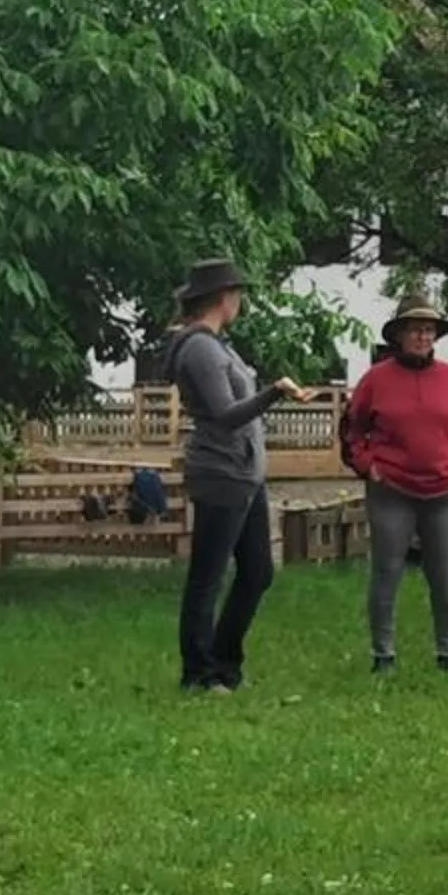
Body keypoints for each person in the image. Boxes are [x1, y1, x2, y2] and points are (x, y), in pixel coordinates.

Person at [162, 258, 318, 693]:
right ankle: (199, 673)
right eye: (238, 294)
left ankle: (225, 663)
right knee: (207, 576)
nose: (241, 302)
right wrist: (275, 392)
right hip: (221, 473)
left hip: (246, 473)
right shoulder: (199, 348)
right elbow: (226, 415)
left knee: (257, 571)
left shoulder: (219, 345)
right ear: (223, 297)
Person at [341, 299, 448, 675]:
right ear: (400, 335)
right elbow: (352, 429)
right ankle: (383, 655)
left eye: (428, 329)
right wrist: (365, 466)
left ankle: (447, 652)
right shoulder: (376, 380)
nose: (422, 336)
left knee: (445, 574)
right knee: (387, 571)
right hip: (391, 489)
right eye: (414, 329)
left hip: (446, 491)